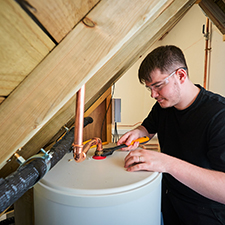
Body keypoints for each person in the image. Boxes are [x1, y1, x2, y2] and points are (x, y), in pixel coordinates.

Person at [117, 45, 225, 225]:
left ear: (181, 75)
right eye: (149, 88)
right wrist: (137, 132)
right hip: (170, 201)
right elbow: (148, 128)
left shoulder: (219, 115)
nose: (153, 94)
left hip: (205, 213)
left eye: (157, 86)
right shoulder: (164, 105)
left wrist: (166, 163)